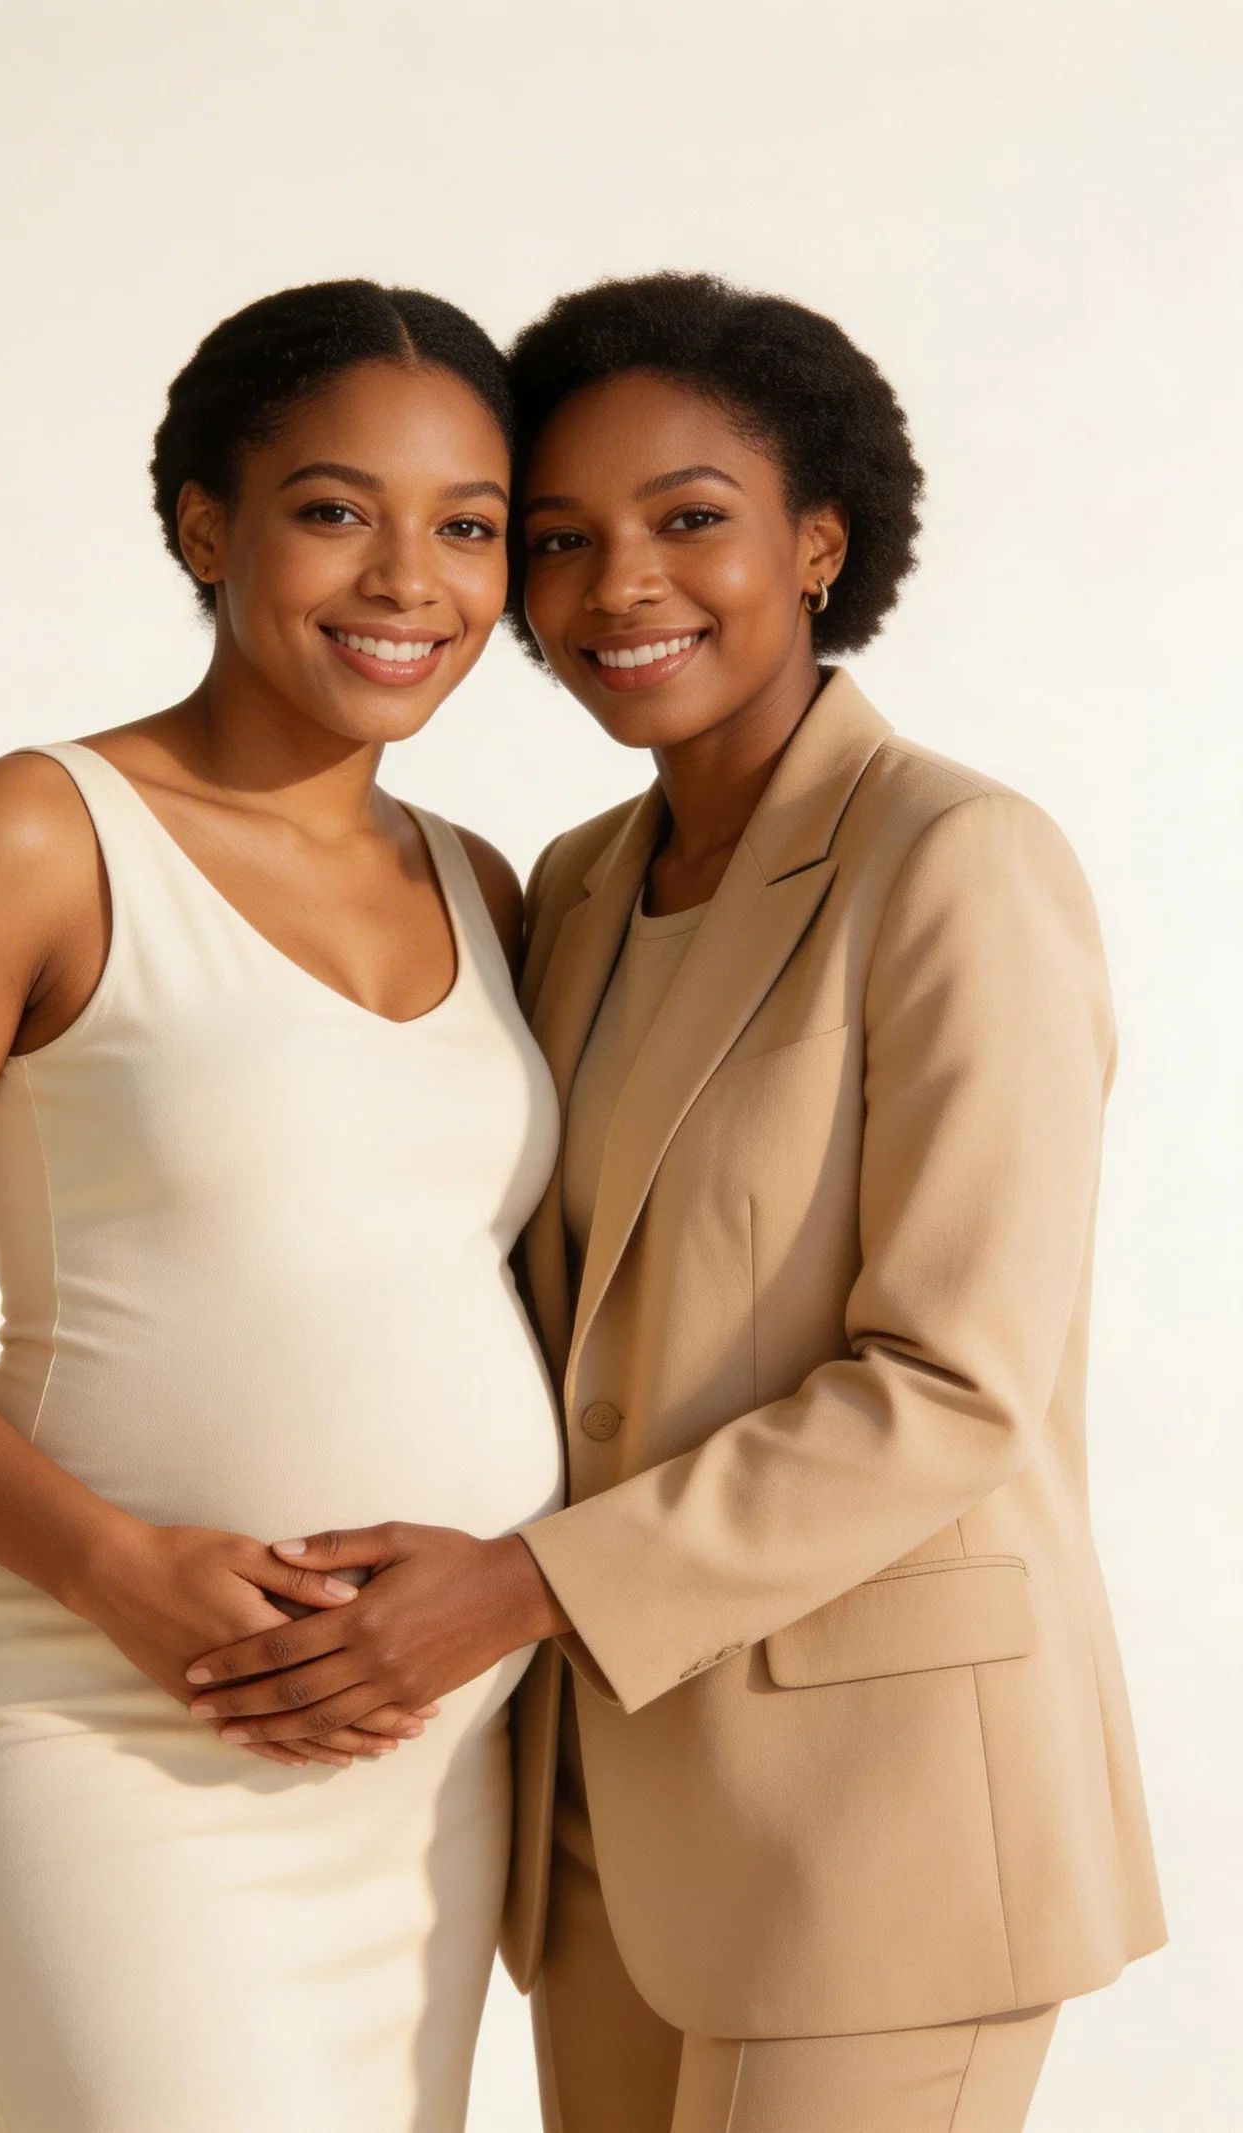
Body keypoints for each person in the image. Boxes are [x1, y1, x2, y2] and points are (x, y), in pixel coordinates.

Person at [185, 272, 1165, 2133]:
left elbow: (956, 1385)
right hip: (602, 1815)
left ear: (819, 543)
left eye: (690, 521)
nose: (621, 583)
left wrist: (519, 1588)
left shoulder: (957, 861)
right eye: (559, 539)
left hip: (885, 1820)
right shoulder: (567, 886)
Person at [0, 279, 564, 2133]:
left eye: (470, 527)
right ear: (207, 522)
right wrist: (120, 1571)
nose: (407, 580)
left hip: (422, 1759)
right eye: (337, 509)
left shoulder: (483, 885)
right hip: (94, 1706)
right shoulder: (31, 831)